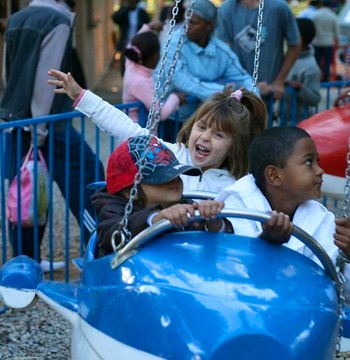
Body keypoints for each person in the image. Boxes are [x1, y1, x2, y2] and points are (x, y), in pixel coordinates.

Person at [216, 126, 350, 304]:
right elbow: (230, 271)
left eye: (318, 162)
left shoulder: (320, 220)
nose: (320, 171)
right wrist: (266, 243)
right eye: (309, 162)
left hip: (298, 314)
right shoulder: (237, 207)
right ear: (274, 176)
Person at [0, 0, 105, 272]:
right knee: (87, 174)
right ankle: (98, 254)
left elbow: (7, 72)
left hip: (18, 119)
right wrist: (41, 130)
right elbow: (48, 79)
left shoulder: (17, 18)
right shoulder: (57, 21)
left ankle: (25, 264)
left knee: (25, 189)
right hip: (47, 124)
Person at [48, 69, 267, 193]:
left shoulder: (236, 185)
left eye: (218, 135)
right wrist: (82, 97)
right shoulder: (169, 155)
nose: (205, 137)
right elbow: (125, 129)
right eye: (201, 127)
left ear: (233, 147)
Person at [92, 135, 230, 257]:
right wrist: (159, 218)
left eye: (176, 174)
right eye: (163, 178)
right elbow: (113, 236)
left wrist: (212, 221)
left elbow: (212, 247)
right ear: (130, 191)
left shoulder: (183, 205)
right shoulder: (111, 209)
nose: (175, 180)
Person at [158, 0, 255, 124]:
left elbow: (243, 78)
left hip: (201, 120)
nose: (186, 26)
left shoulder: (221, 51)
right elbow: (179, 79)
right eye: (185, 20)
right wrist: (221, 92)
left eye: (192, 22)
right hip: (170, 119)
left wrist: (252, 97)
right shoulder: (173, 43)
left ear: (209, 25)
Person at [216, 0, 301, 102]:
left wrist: (279, 80)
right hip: (238, 93)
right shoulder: (226, 8)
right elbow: (223, 51)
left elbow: (295, 44)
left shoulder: (279, 7)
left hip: (269, 92)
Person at [122, 28, 183, 127]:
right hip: (139, 135)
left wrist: (147, 27)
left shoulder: (131, 65)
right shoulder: (141, 82)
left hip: (132, 129)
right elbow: (160, 113)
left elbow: (131, 46)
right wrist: (175, 98)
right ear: (155, 56)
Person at [282, 18, 321, 123]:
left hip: (299, 122)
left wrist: (299, 87)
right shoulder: (285, 57)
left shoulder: (310, 66)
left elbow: (315, 99)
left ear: (300, 38)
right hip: (281, 118)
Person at [112, 0, 151, 75]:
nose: (132, 2)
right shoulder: (125, 11)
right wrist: (126, 9)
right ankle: (125, 82)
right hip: (126, 43)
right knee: (125, 65)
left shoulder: (141, 12)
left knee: (137, 65)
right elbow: (115, 18)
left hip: (138, 44)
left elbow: (148, 24)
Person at [311, 0, 339, 82]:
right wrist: (338, 42)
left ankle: (316, 79)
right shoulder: (332, 15)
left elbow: (312, 28)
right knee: (327, 62)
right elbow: (336, 32)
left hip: (316, 42)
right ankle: (326, 79)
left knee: (317, 62)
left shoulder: (315, 14)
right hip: (328, 43)